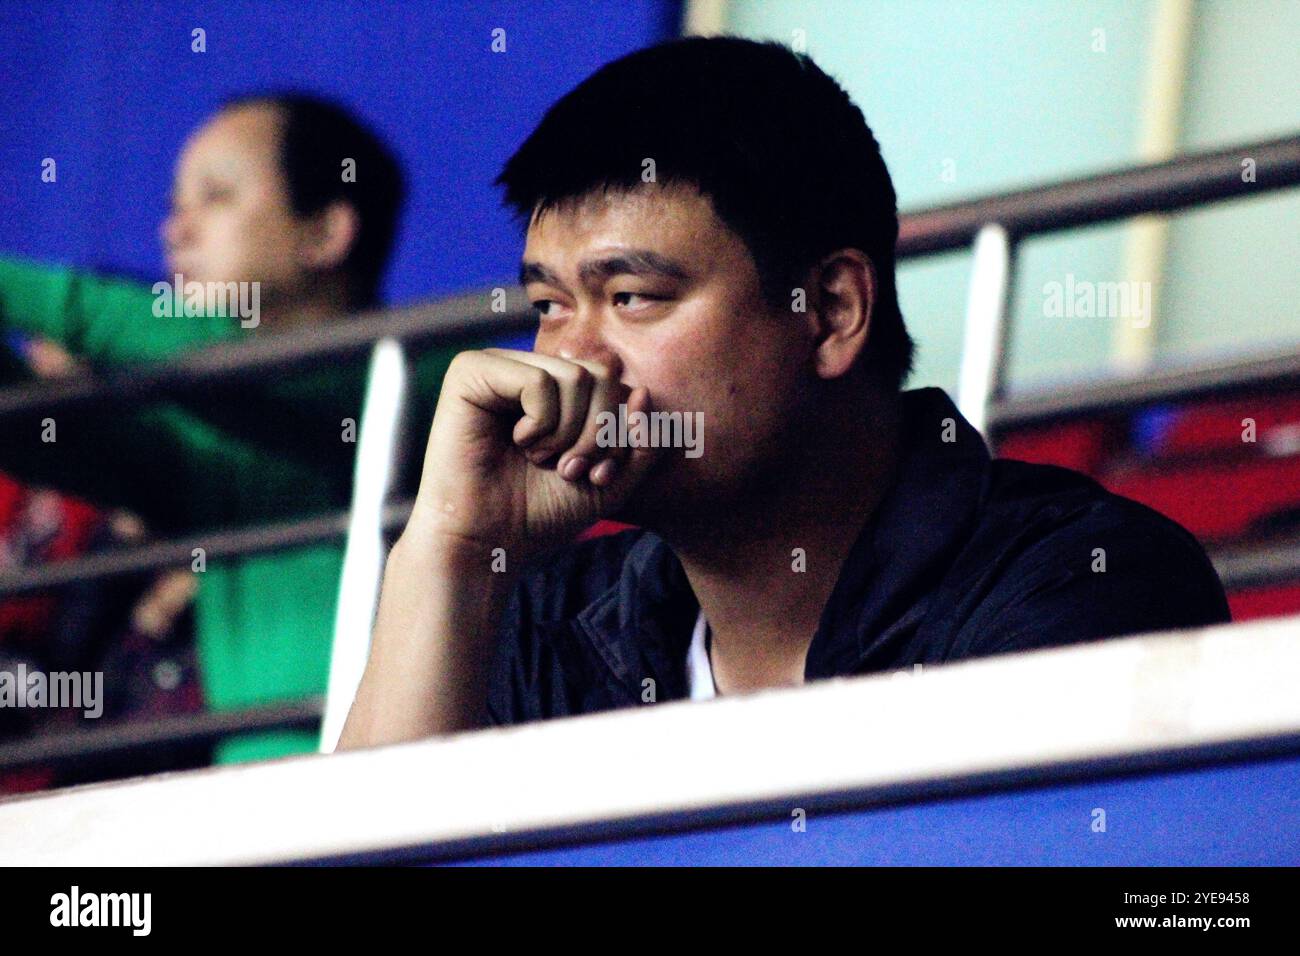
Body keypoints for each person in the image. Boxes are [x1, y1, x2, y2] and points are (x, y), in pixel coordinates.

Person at [338, 37, 1230, 748]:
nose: (572, 360)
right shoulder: (548, 620)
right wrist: (451, 551)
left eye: (631, 297)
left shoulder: (1072, 589)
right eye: (548, 305)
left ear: (832, 312)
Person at [0, 93, 470, 764]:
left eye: (214, 197)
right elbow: (31, 429)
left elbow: (254, 374)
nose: (175, 231)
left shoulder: (431, 378)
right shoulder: (210, 442)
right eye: (172, 206)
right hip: (240, 830)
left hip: (420, 828)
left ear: (326, 233)